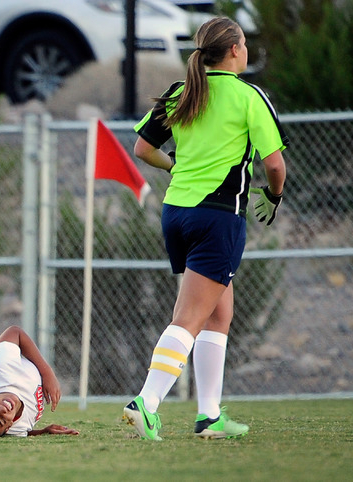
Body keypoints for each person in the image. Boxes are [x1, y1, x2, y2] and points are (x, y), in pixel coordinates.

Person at [122, 16, 288, 440]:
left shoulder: (182, 91)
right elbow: (274, 165)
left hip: (176, 213)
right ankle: (146, 401)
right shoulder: (248, 96)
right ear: (234, 51)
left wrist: (174, 163)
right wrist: (273, 195)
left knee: (219, 313)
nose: (246, 49)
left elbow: (143, 148)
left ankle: (209, 416)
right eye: (245, 44)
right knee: (191, 316)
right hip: (218, 218)